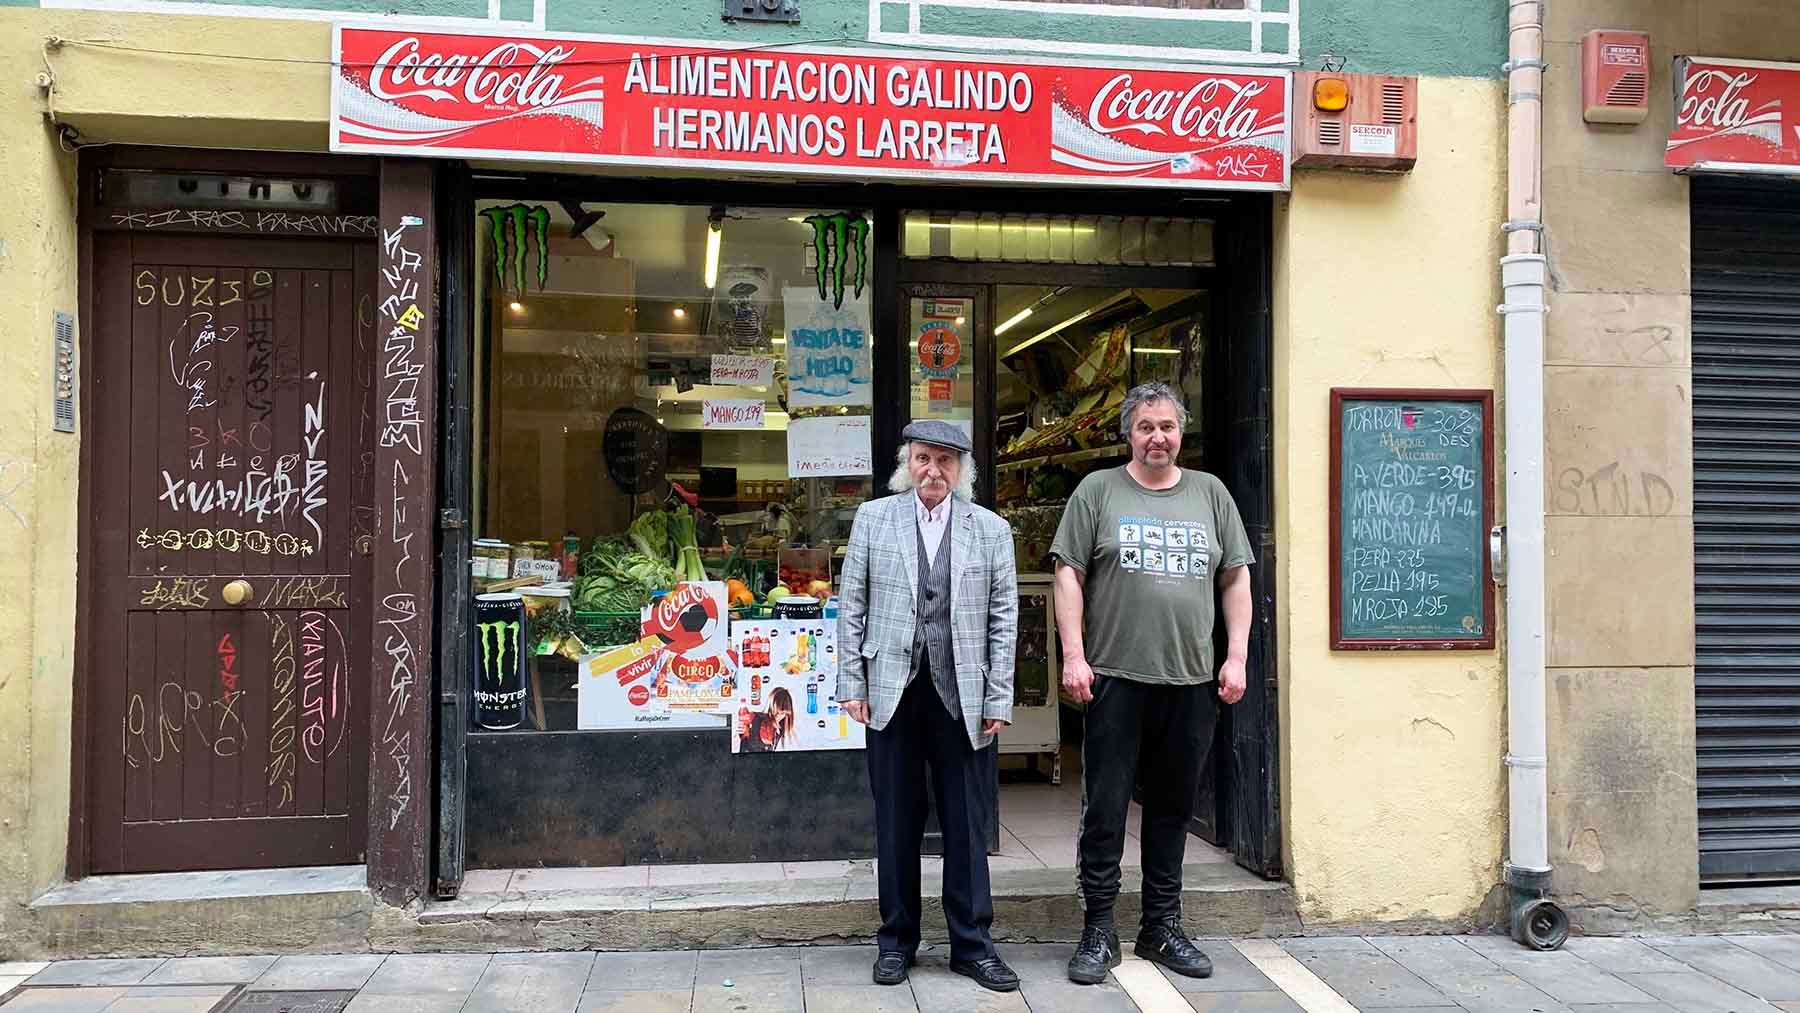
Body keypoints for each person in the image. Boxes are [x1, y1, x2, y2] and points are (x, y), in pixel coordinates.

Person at [1049, 382, 1253, 985]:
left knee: (1172, 810)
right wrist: (1073, 655)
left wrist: (1235, 657)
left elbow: (1235, 578)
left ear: (1180, 432)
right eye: (1145, 427)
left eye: (1167, 426)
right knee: (1105, 809)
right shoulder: (1097, 491)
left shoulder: (1211, 494)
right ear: (1127, 433)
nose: (1157, 437)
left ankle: (1162, 926)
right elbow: (1068, 574)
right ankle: (1099, 928)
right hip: (1114, 677)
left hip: (1192, 680)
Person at [837, 420, 1021, 993]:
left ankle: (973, 945)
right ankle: (896, 941)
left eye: (945, 461)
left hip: (963, 691)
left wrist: (999, 696)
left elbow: (1003, 620)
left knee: (967, 822)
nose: (933, 471)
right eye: (923, 459)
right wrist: (852, 683)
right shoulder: (874, 519)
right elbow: (852, 606)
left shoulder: (991, 530)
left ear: (962, 469)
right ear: (907, 462)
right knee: (896, 821)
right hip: (892, 687)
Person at [737, 687, 796, 752]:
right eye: (777, 712)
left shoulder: (778, 731)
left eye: (783, 713)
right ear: (771, 708)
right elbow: (741, 727)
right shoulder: (754, 718)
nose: (778, 717)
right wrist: (741, 730)